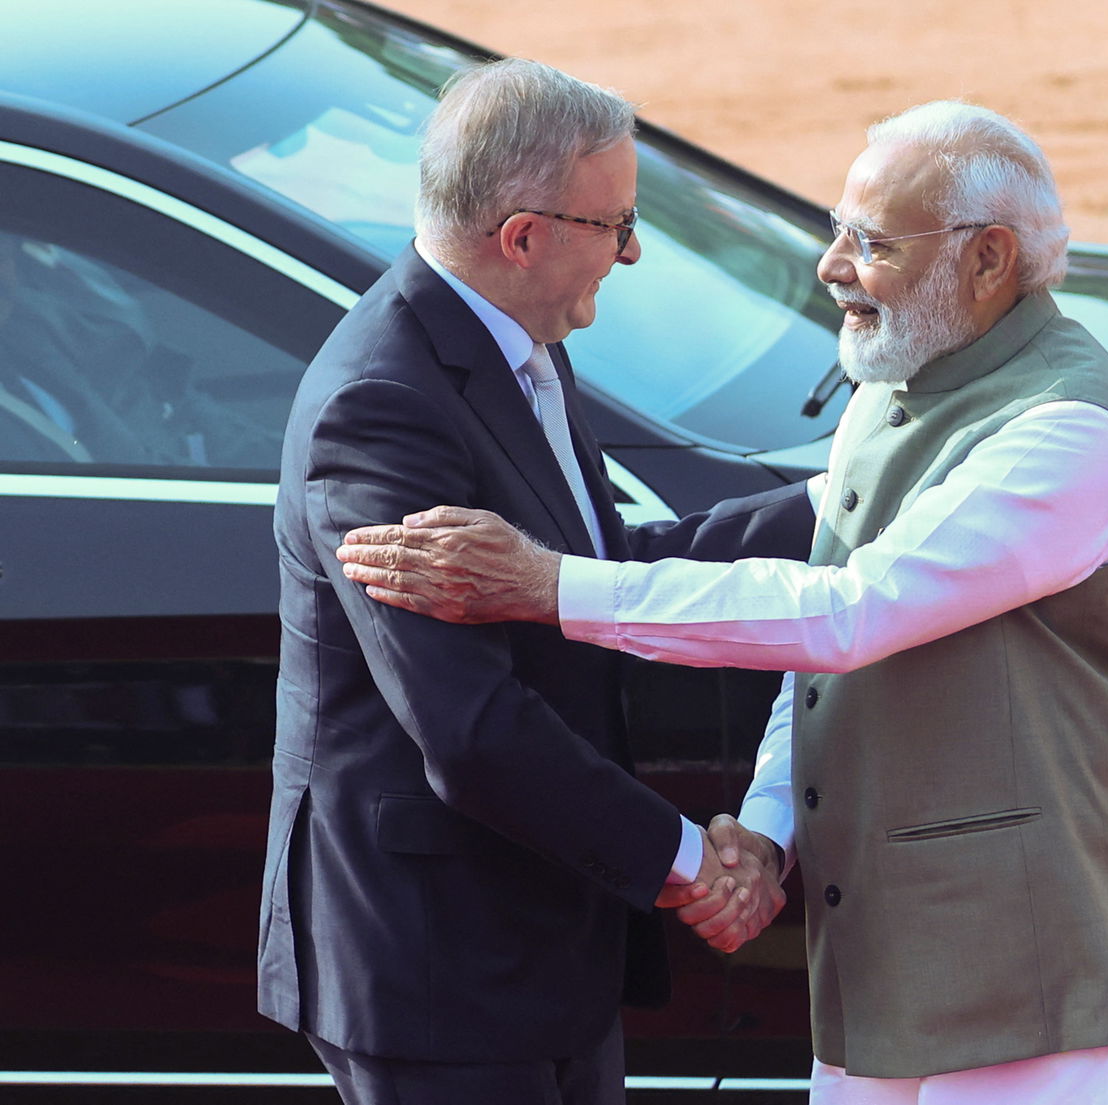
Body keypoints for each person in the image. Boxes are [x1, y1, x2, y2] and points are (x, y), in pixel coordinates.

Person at [336, 100, 1108, 1104]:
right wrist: (763, 830)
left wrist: (549, 586)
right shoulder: (897, 384)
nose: (833, 267)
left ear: (986, 262)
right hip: (897, 969)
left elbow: (849, 612)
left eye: (872, 242)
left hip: (1061, 988)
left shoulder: (1069, 435)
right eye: (836, 230)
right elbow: (823, 672)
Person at [261, 57, 802, 1105]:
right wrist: (692, 862)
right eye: (616, 224)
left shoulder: (515, 342)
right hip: (437, 969)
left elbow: (587, 575)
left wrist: (845, 499)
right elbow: (468, 726)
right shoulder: (381, 408)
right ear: (523, 236)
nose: (633, 250)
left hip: (544, 947)